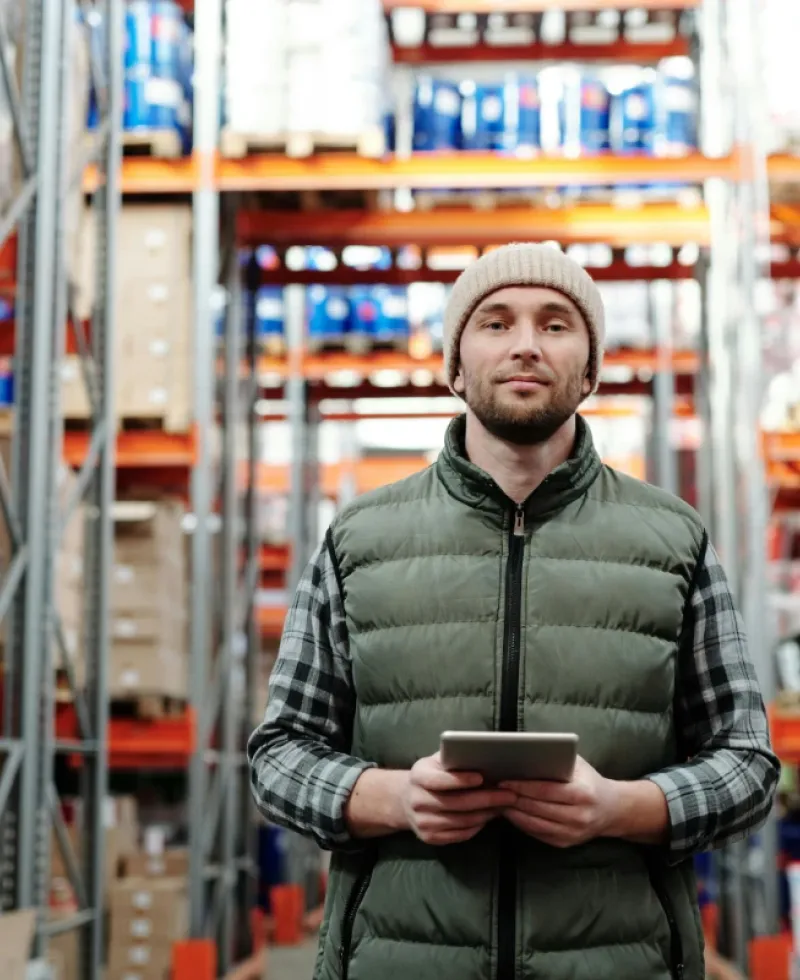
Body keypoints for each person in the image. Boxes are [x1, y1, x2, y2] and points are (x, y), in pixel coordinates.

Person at [248, 243, 780, 980]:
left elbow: (748, 762)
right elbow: (278, 756)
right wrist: (396, 799)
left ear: (590, 369)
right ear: (455, 365)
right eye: (495, 323)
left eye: (556, 325)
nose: (526, 344)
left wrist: (621, 808)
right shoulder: (357, 541)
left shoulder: (673, 540)